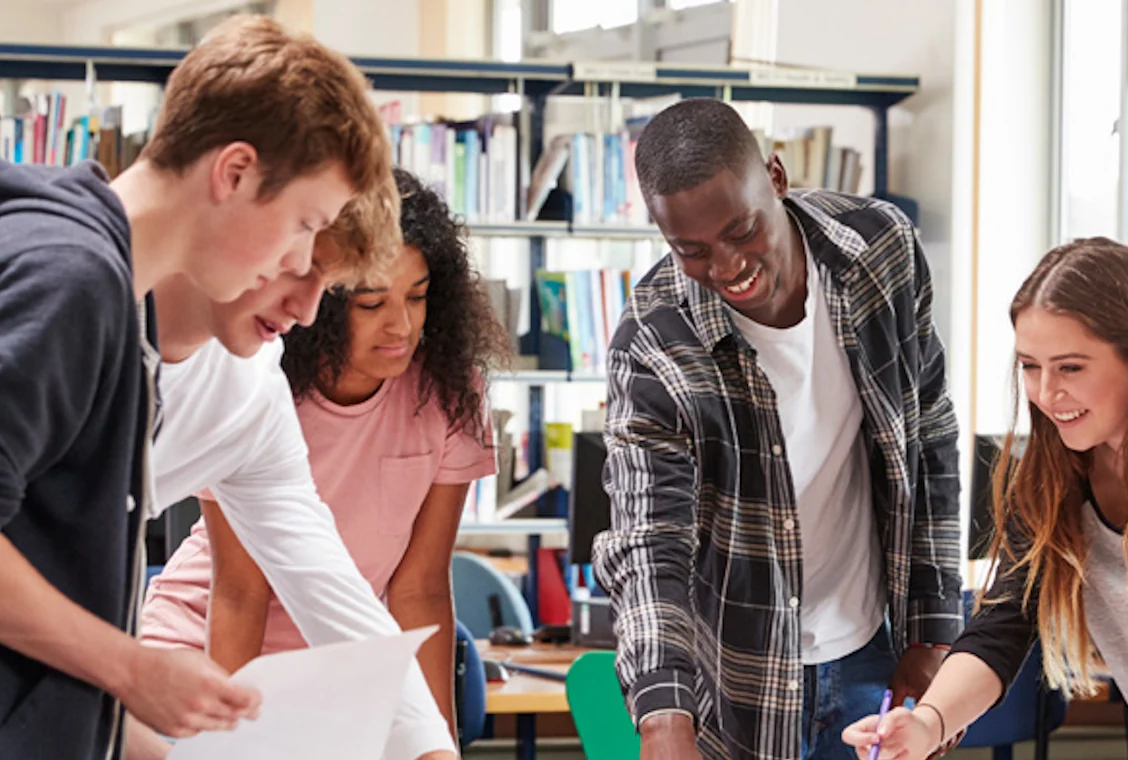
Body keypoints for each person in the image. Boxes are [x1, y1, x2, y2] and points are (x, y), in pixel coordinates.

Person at [0, 14, 395, 758]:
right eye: (303, 225)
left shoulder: (117, 309)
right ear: (234, 172)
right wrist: (131, 668)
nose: (297, 262)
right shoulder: (71, 279)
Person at [591, 97, 963, 759]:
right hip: (737, 680)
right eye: (691, 251)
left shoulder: (880, 249)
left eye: (741, 231)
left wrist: (932, 630)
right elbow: (649, 543)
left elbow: (929, 435)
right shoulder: (653, 342)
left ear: (776, 177)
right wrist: (663, 715)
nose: (726, 266)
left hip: (871, 656)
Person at [843, 238, 1128, 760]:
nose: (1045, 393)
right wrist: (926, 724)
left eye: (1071, 367)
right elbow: (1002, 624)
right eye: (1030, 366)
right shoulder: (1053, 474)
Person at [139, 168, 507, 747]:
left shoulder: (450, 393)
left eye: (417, 297)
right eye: (371, 302)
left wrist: (440, 745)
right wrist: (231, 748)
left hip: (332, 664)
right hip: (198, 651)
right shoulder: (256, 386)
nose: (401, 325)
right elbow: (239, 593)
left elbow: (418, 590)